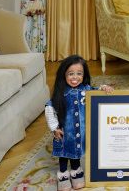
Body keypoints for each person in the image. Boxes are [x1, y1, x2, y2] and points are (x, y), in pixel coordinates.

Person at [45, 55, 113, 191]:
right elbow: (49, 108)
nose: (75, 77)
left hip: (80, 132)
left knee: (76, 153)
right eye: (70, 74)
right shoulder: (61, 93)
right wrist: (54, 128)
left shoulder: (85, 89)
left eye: (79, 73)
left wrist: (104, 88)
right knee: (64, 154)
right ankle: (63, 174)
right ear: (63, 74)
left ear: (84, 74)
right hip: (65, 133)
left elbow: (96, 92)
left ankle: (76, 172)